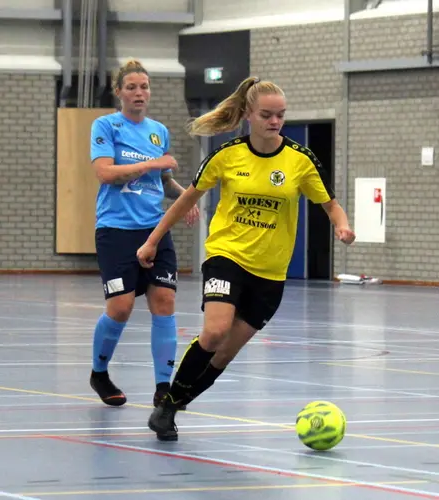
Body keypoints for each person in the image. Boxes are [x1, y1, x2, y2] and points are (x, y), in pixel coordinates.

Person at [135, 76, 355, 441]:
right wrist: (152, 241)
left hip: (271, 272)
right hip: (227, 255)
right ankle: (169, 405)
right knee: (215, 331)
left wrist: (342, 226)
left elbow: (331, 204)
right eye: (267, 115)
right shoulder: (227, 156)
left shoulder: (300, 160)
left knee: (225, 353)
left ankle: (175, 402)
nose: (275, 121)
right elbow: (186, 199)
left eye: (280, 115)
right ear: (248, 114)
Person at [89, 58, 199, 408]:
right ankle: (99, 373)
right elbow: (106, 174)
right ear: (119, 92)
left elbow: (162, 181)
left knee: (164, 301)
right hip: (116, 230)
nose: (139, 93)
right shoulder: (106, 125)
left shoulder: (158, 131)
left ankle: (164, 387)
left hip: (154, 229)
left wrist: (185, 197)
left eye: (144, 87)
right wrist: (153, 163)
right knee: (120, 307)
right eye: (132, 87)